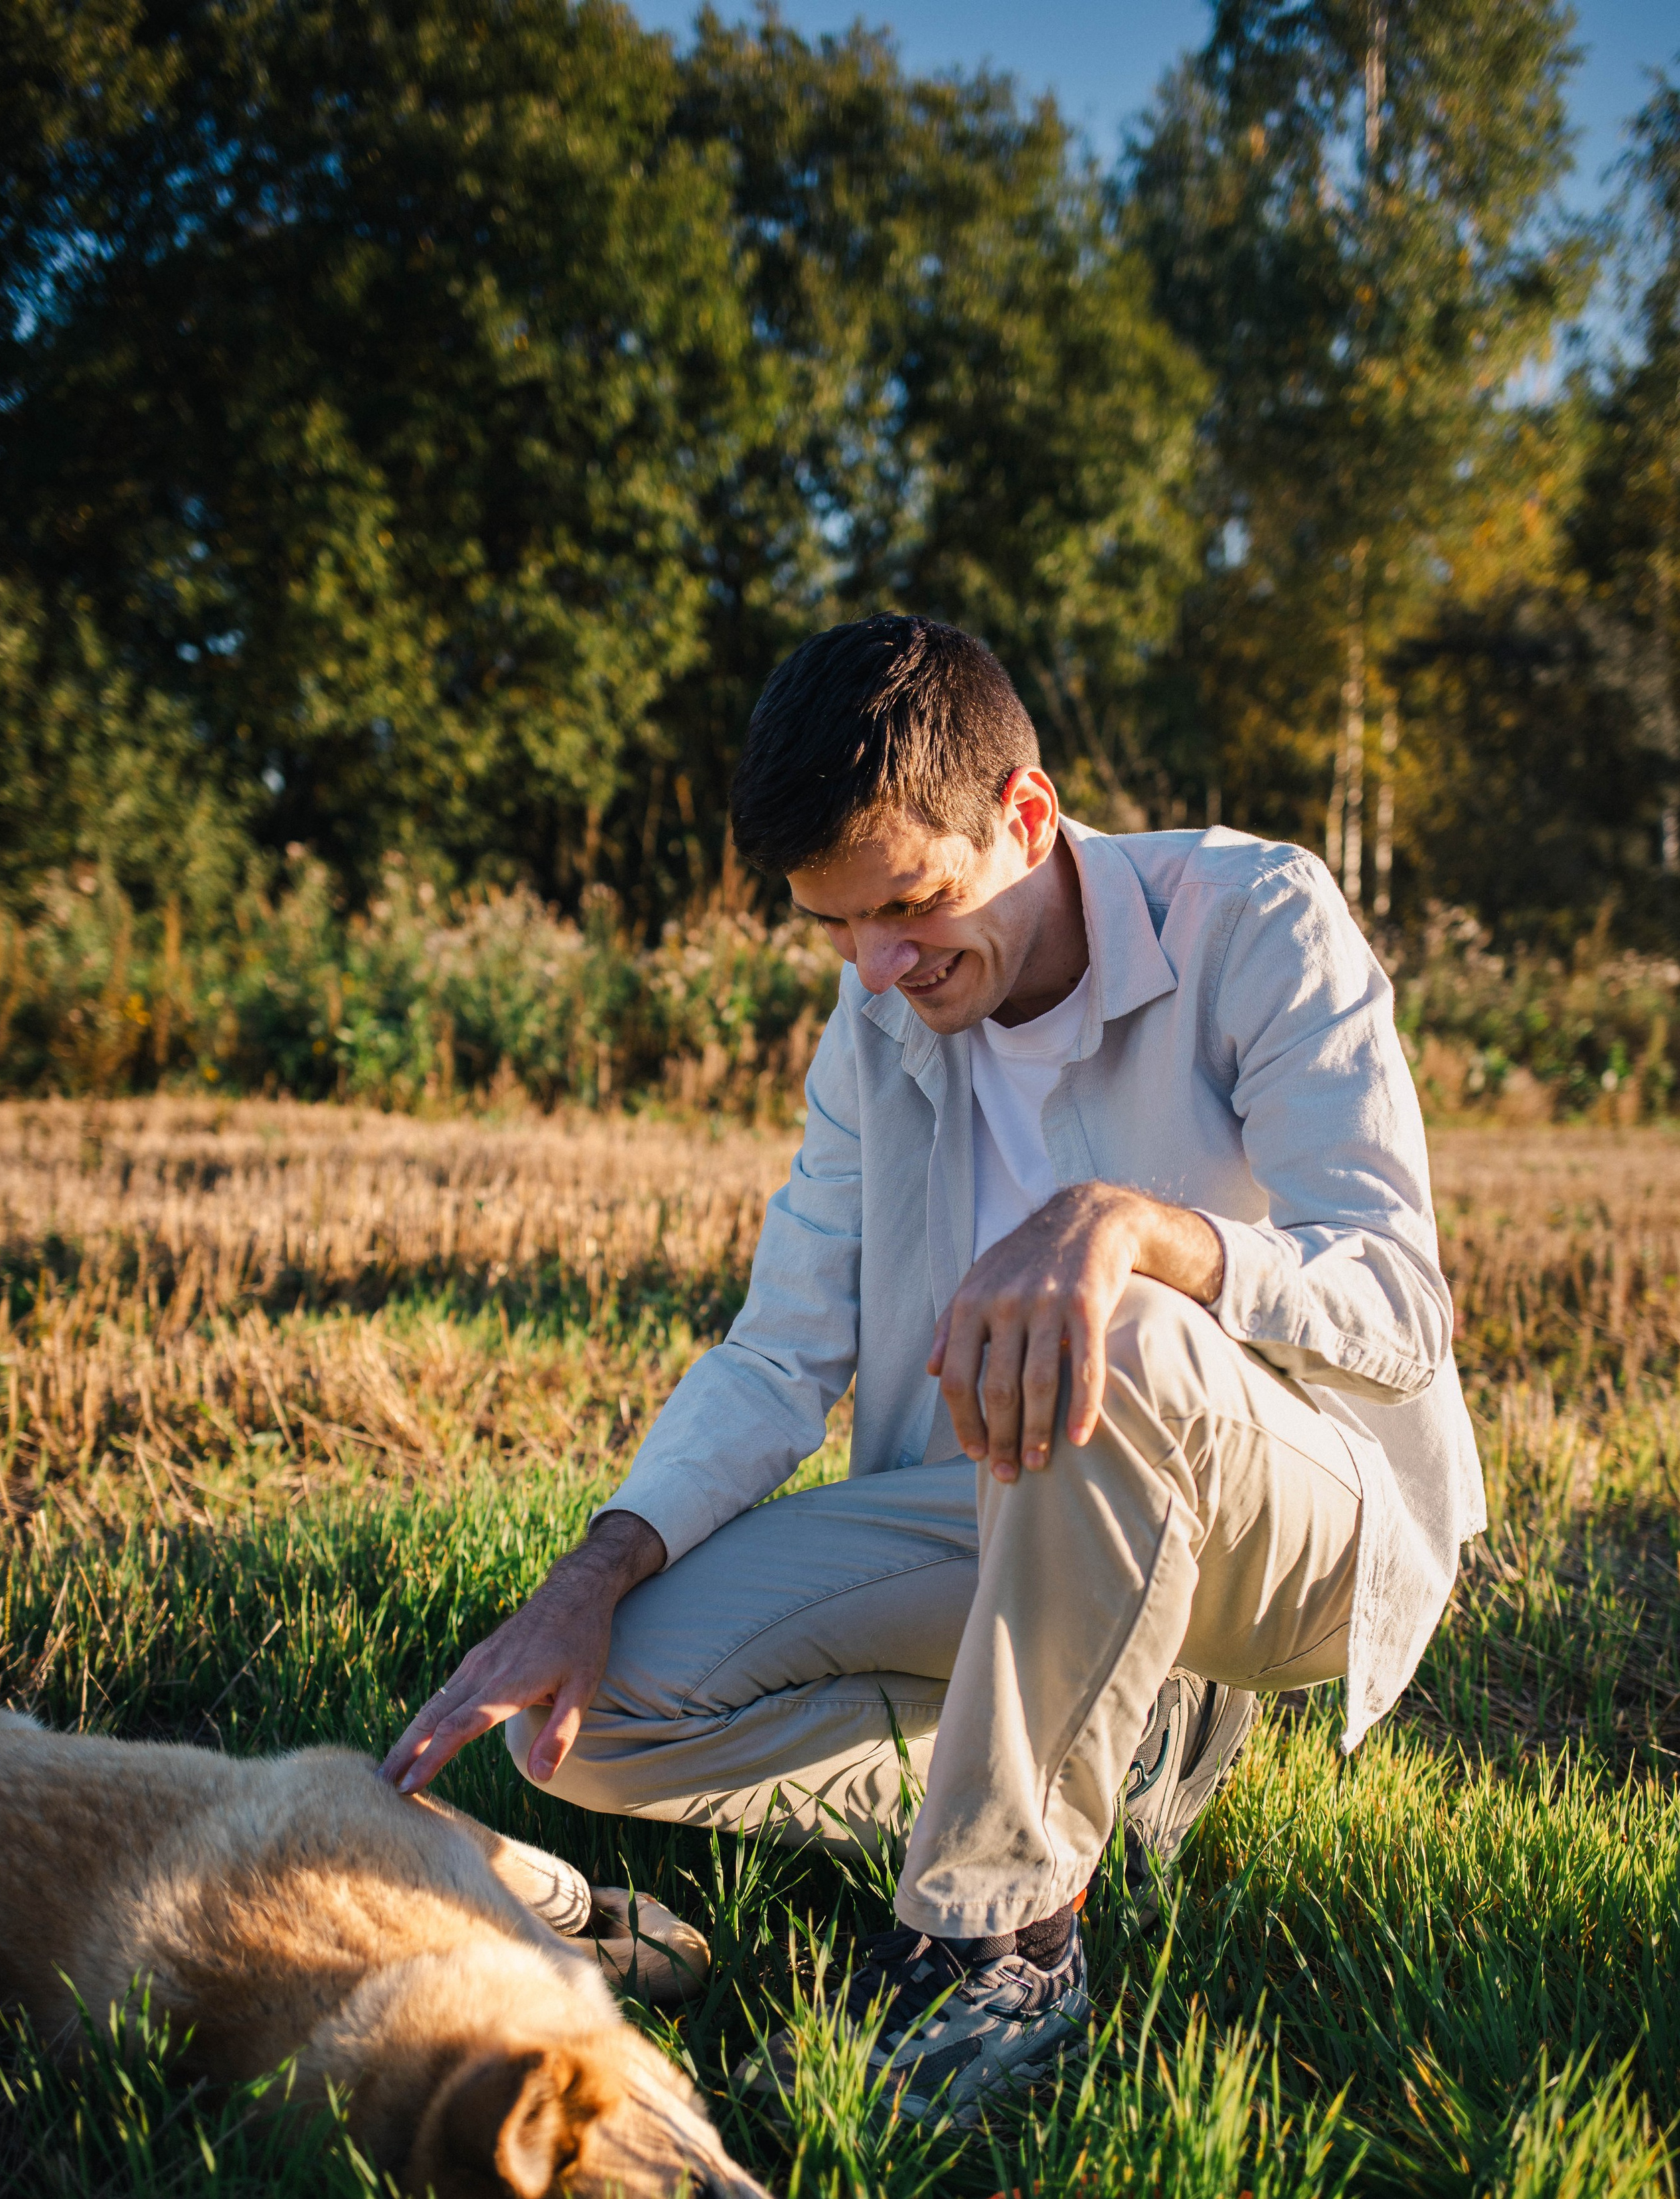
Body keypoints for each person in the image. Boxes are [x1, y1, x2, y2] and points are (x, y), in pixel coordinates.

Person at [381, 615, 1484, 2121]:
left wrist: (1135, 1231)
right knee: (590, 1722)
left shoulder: (1255, 917)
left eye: (910, 905)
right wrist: (592, 1572)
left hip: (1293, 1538)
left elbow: (1396, 1304)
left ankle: (1000, 1951)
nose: (879, 967)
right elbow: (780, 1351)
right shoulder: (874, 1015)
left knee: (1112, 1320)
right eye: (835, 927)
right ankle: (1104, 1759)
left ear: (1025, 815)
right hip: (1010, 1514)